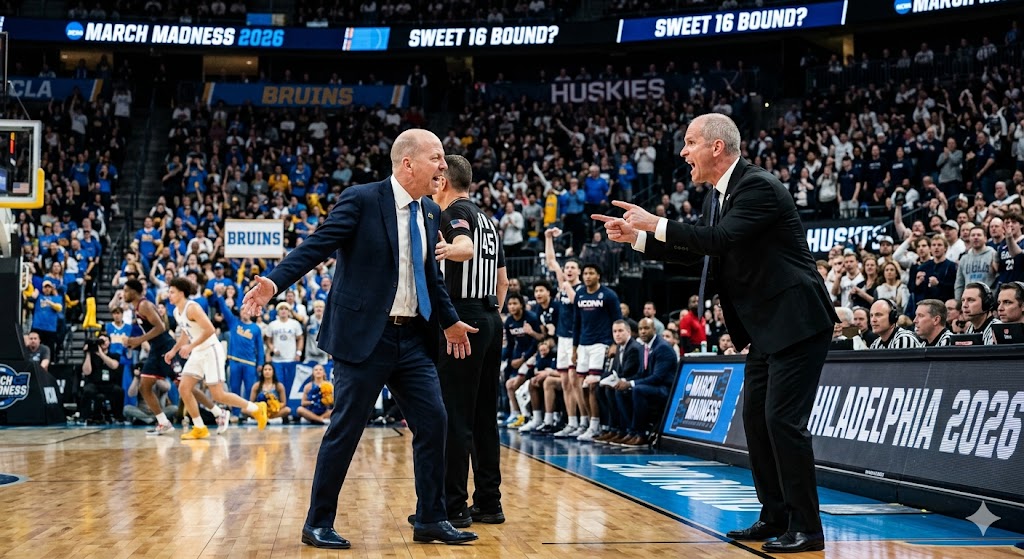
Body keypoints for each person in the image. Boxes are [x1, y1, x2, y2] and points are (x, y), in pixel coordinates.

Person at [593, 113, 836, 553]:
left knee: (783, 421)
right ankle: (775, 515)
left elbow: (718, 239)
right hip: (766, 327)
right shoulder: (719, 197)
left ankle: (808, 528)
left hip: (797, 321)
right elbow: (700, 254)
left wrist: (654, 223)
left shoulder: (757, 186)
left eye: (689, 143)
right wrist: (637, 239)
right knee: (757, 422)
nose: (684, 153)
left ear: (716, 148)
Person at [241, 128, 478, 549]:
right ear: (409, 163)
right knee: (346, 430)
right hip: (364, 339)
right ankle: (317, 523)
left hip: (413, 340)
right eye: (437, 157)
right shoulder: (362, 199)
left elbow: (429, 277)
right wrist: (272, 285)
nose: (444, 166)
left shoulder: (427, 211)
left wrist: (450, 321)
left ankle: (430, 518)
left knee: (434, 422)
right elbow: (317, 246)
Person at [428, 153, 509, 527]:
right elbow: (504, 281)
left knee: (455, 416)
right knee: (483, 418)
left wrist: (447, 249)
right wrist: (491, 315)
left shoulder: (452, 214)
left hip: (465, 321)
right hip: (491, 319)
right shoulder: (489, 221)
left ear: (444, 181)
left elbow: (464, 247)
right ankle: (489, 503)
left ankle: (454, 507)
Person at [165, 277, 268, 440]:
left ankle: (255, 408)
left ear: (181, 293)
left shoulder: (192, 308)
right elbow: (186, 332)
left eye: (171, 292)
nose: (168, 295)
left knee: (218, 395)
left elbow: (210, 329)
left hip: (211, 350)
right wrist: (174, 350)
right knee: (184, 388)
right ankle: (199, 427)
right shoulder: (177, 311)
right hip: (198, 351)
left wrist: (190, 347)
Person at [122, 279, 179, 436]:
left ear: (134, 291)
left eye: (126, 290)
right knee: (144, 386)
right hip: (156, 349)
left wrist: (138, 341)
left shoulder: (144, 305)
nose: (124, 293)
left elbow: (160, 327)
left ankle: (217, 412)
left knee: (184, 384)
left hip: (165, 347)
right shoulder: (138, 307)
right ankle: (163, 422)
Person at [80, 335, 126, 423]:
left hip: (109, 384)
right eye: (101, 340)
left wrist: (101, 354)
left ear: (109, 342)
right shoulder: (92, 356)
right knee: (87, 391)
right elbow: (86, 372)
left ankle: (118, 416)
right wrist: (88, 353)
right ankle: (84, 416)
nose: (103, 342)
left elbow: (114, 365)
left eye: (105, 340)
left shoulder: (114, 355)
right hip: (95, 384)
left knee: (119, 391)